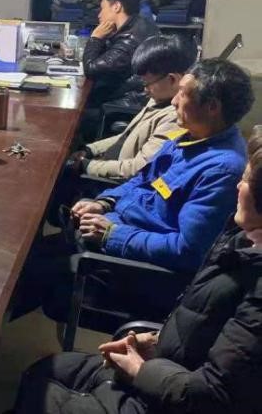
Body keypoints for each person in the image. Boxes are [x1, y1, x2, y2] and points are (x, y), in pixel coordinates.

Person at [13, 130, 262, 414]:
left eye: (246, 179)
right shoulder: (241, 238)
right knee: (43, 371)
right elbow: (203, 319)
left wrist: (140, 370)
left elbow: (212, 396)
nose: (238, 185)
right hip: (167, 368)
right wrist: (156, 340)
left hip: (168, 398)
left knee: (40, 396)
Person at [15, 58, 254, 322]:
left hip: (137, 272)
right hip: (112, 234)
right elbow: (142, 179)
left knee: (30, 272)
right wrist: (105, 202)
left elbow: (187, 251)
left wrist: (112, 235)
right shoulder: (190, 137)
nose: (174, 101)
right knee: (26, 255)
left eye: (183, 94)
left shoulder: (221, 171)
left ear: (212, 107)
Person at [75, 35, 196, 182]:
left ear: (172, 79)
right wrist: (90, 150)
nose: (145, 90)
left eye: (147, 84)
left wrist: (87, 166)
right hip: (108, 163)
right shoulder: (159, 98)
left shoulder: (176, 118)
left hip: (117, 183)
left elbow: (139, 169)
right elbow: (126, 137)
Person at [83, 0, 159, 108]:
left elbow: (91, 70)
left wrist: (95, 38)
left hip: (125, 101)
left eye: (102, 9)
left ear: (116, 7)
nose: (99, 15)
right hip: (129, 94)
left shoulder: (130, 39)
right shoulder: (139, 24)